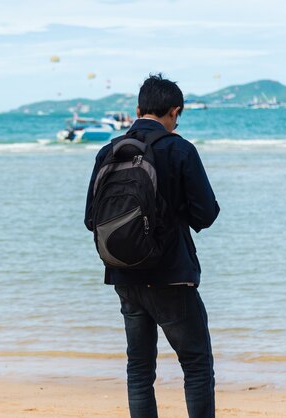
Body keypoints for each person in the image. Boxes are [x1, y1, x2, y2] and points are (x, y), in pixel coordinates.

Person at [84, 74, 220, 418]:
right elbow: (206, 214)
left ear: (138, 109)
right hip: (172, 275)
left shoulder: (108, 152)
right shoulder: (180, 149)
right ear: (175, 111)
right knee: (197, 366)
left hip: (124, 276)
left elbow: (91, 219)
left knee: (140, 370)